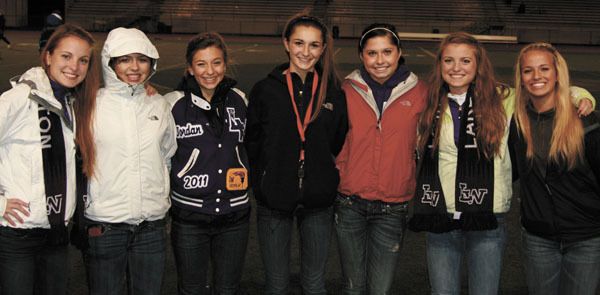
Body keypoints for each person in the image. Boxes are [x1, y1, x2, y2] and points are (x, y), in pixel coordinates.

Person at [410, 32, 595, 295]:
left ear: (478, 64)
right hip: (441, 216)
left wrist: (581, 95)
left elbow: (544, 92)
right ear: (440, 64)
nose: (456, 68)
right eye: (449, 61)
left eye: (465, 61)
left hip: (487, 218)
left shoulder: (504, 99)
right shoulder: (427, 101)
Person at [245, 13, 347, 294]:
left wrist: (322, 174)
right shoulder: (265, 90)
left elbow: (337, 139)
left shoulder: (334, 92)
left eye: (314, 45)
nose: (306, 52)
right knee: (276, 285)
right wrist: (264, 181)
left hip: (318, 202)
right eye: (299, 43)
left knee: (314, 283)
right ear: (286, 44)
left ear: (323, 48)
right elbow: (252, 141)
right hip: (274, 199)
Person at [0, 24, 100, 295]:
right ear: (48, 57)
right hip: (18, 235)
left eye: (83, 60)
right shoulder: (20, 98)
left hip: (56, 234)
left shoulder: (70, 104)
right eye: (65, 56)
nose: (74, 67)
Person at [80, 27, 177, 295]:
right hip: (106, 226)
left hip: (151, 228)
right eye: (124, 59)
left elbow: (167, 155)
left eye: (142, 59)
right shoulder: (90, 105)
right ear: (110, 63)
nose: (134, 67)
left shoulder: (159, 104)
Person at [334, 23, 428, 294]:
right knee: (353, 287)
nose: (379, 60)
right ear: (361, 55)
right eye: (372, 53)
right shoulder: (346, 89)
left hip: (392, 205)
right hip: (349, 201)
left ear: (399, 52)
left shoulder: (420, 92)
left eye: (387, 51)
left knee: (380, 289)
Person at [510, 42, 600, 295]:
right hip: (538, 238)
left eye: (544, 68)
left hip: (587, 238)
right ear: (521, 77)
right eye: (528, 71)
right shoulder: (516, 123)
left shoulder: (587, 121)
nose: (536, 76)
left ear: (558, 73)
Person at [164, 32, 250, 295]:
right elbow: (164, 156)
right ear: (190, 68)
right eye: (201, 64)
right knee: (191, 289)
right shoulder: (172, 104)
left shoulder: (240, 99)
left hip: (235, 215)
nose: (209, 71)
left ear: (225, 64)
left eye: (216, 63)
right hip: (190, 217)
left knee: (228, 288)